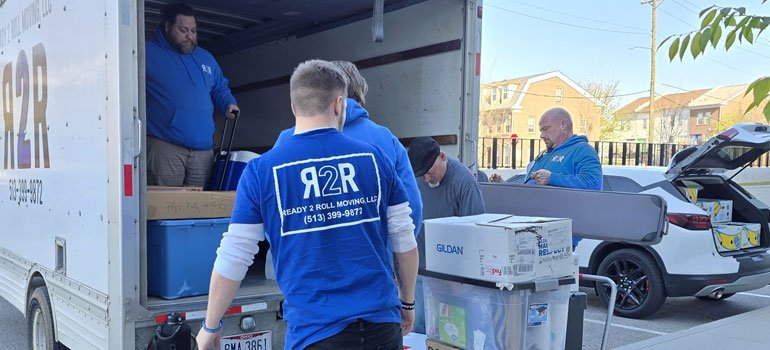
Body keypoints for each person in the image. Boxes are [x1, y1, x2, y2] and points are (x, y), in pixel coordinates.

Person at [195, 60, 419, 350]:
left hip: (316, 334)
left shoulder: (262, 171)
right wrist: (408, 302)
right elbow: (405, 240)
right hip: (382, 328)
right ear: (340, 104)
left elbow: (235, 255)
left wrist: (210, 325)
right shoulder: (376, 159)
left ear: (294, 107)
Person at [274, 60, 423, 234]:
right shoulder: (385, 139)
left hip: (298, 258)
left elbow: (271, 206)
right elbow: (412, 207)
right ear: (360, 93)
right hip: (373, 256)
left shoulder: (286, 139)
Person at [145, 3, 240, 187]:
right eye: (183, 30)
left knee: (199, 209)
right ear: (167, 27)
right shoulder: (146, 51)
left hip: (203, 150)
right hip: (166, 146)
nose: (190, 36)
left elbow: (220, 87)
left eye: (194, 30)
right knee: (167, 208)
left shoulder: (205, 58)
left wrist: (229, 103)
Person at [406, 136, 486, 334]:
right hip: (418, 266)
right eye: (421, 175)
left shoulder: (464, 182)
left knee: (449, 329)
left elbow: (475, 232)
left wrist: (462, 278)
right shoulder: (412, 178)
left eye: (430, 172)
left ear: (442, 156)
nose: (426, 179)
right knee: (416, 326)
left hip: (451, 274)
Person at [523, 107, 602, 247]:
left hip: (559, 236)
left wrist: (552, 178)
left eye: (546, 129)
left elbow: (593, 183)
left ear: (563, 125)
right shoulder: (544, 155)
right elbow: (529, 188)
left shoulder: (582, 151)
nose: (541, 135)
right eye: (540, 130)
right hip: (530, 231)